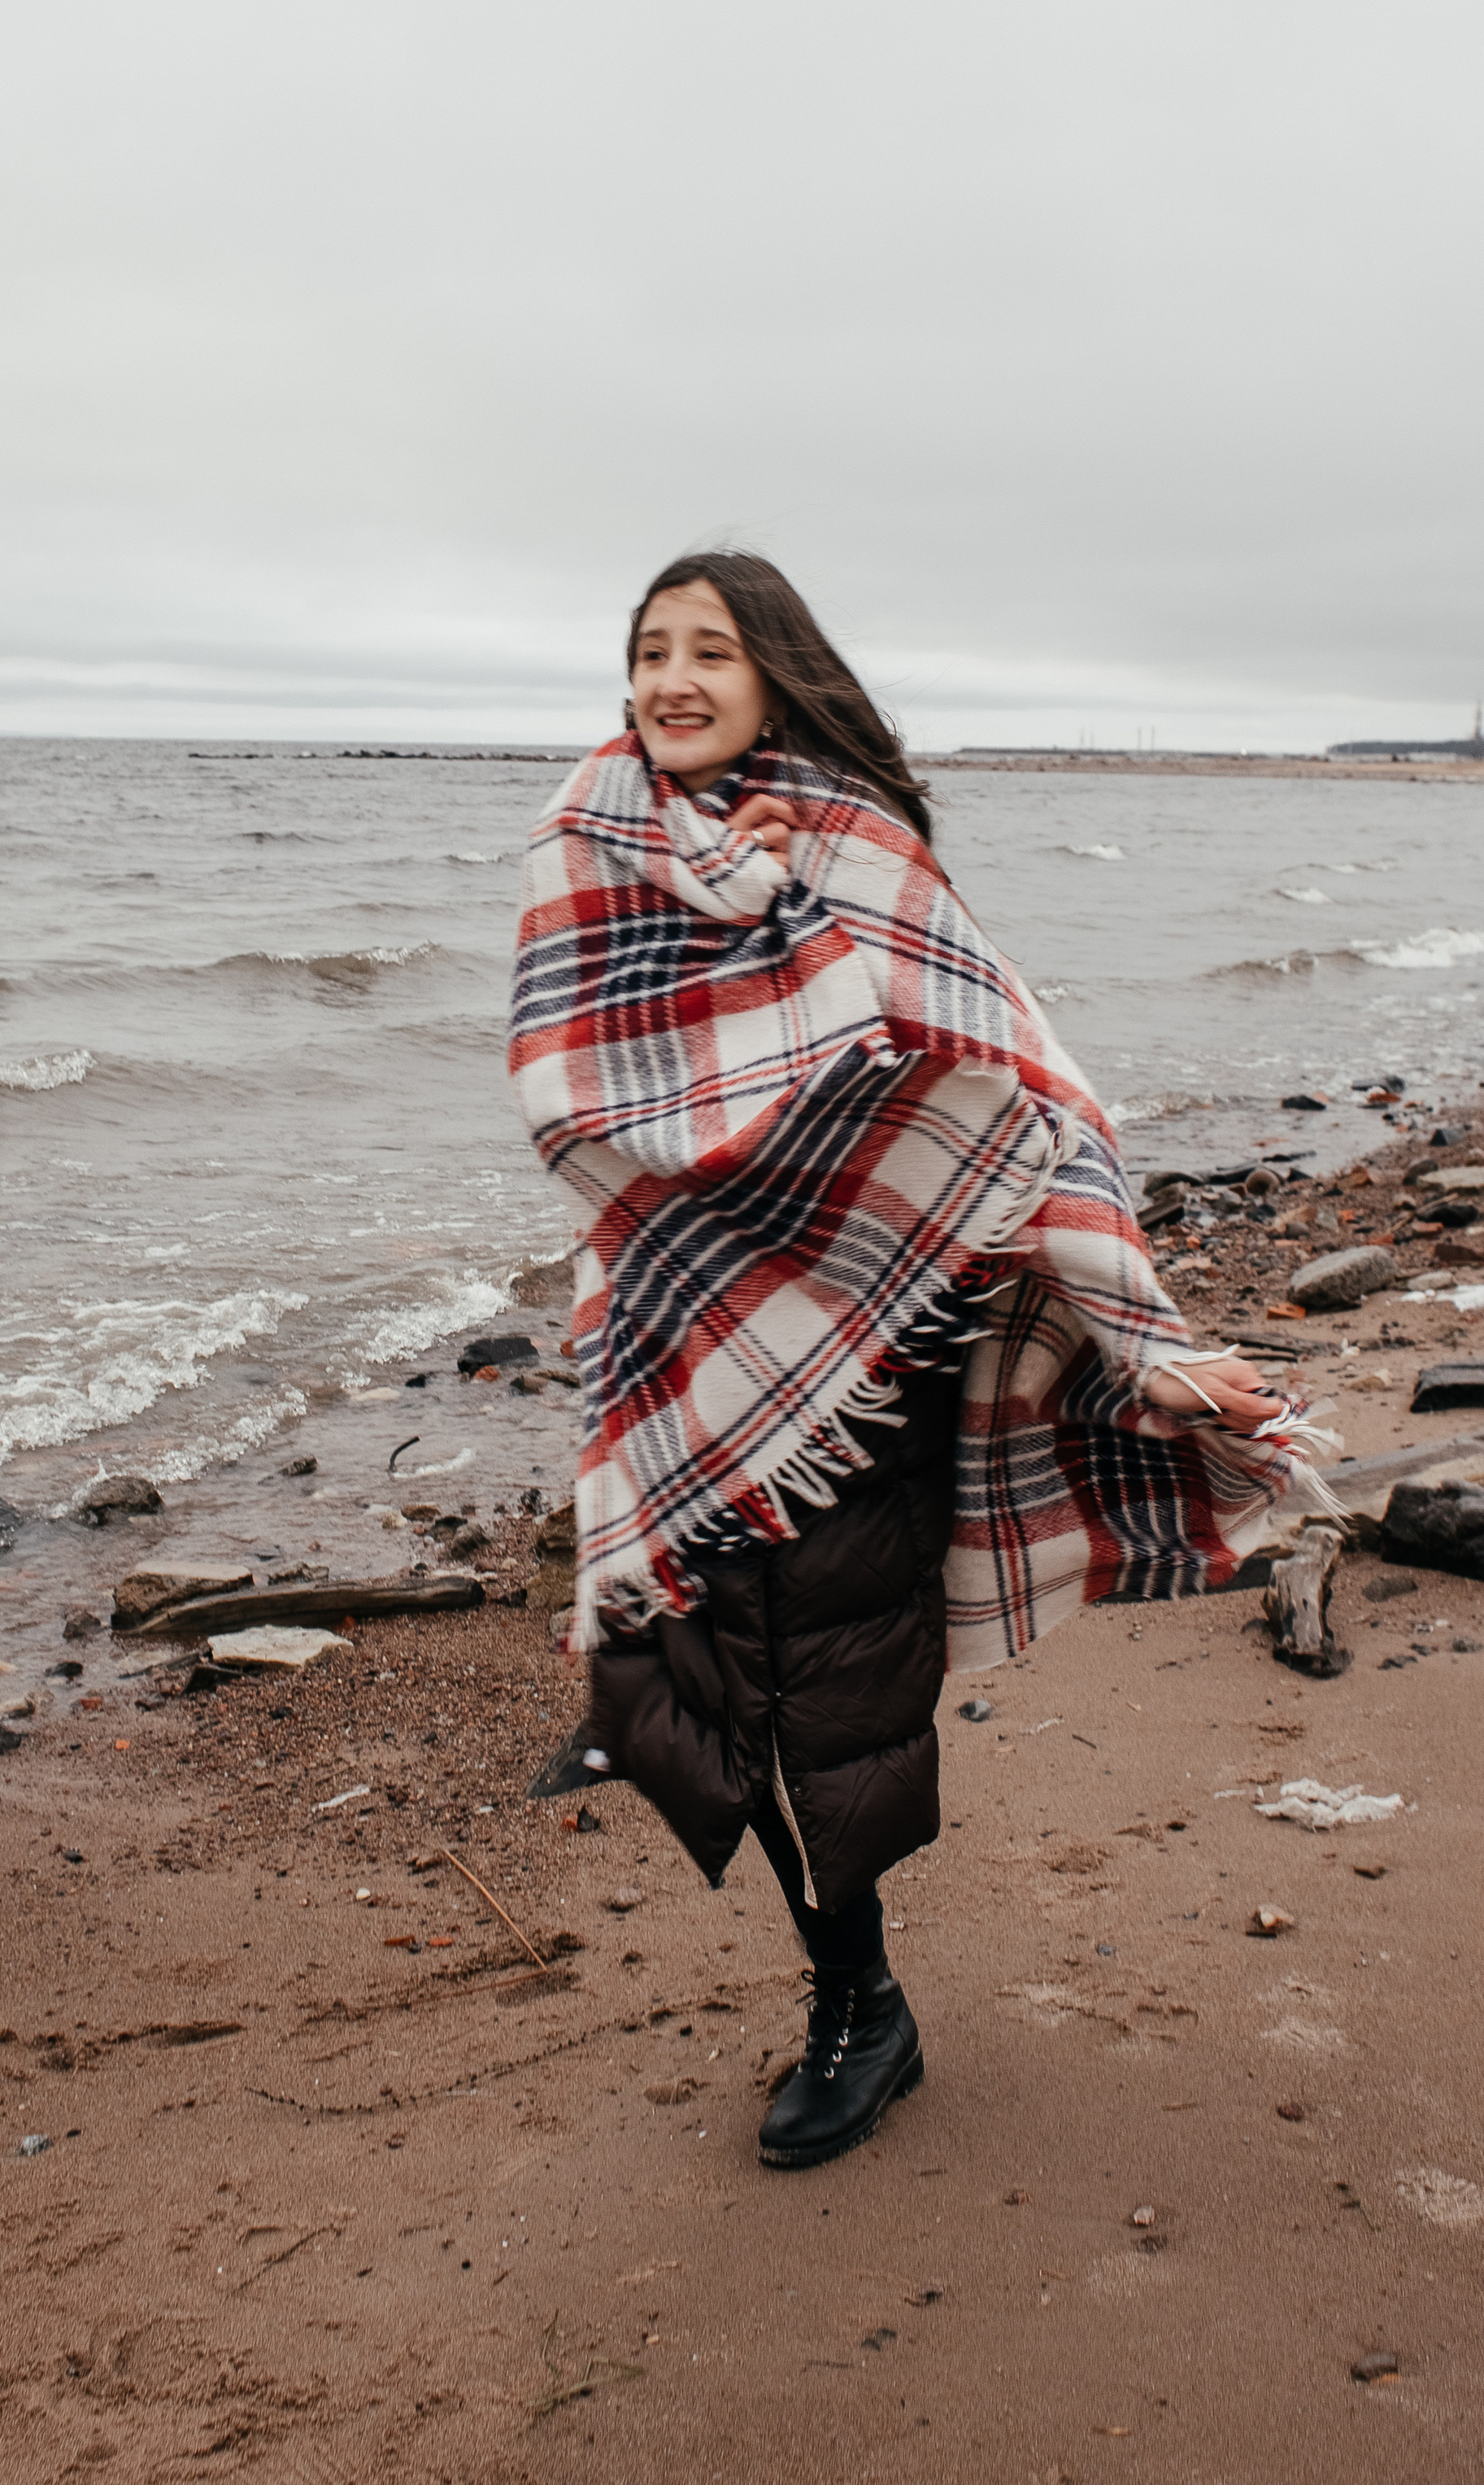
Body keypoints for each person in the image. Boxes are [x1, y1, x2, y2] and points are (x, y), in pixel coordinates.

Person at [508, 550, 1330, 2171]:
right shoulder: (581, 844)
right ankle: (827, 1960)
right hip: (672, 1341)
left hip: (863, 1351)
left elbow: (1014, 1104)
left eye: (710, 653)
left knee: (825, 1698)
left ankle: (857, 2011)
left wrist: (1136, 1339)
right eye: (647, 651)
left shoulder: (858, 852)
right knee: (687, 1668)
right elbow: (563, 1096)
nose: (672, 680)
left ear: (773, 676)